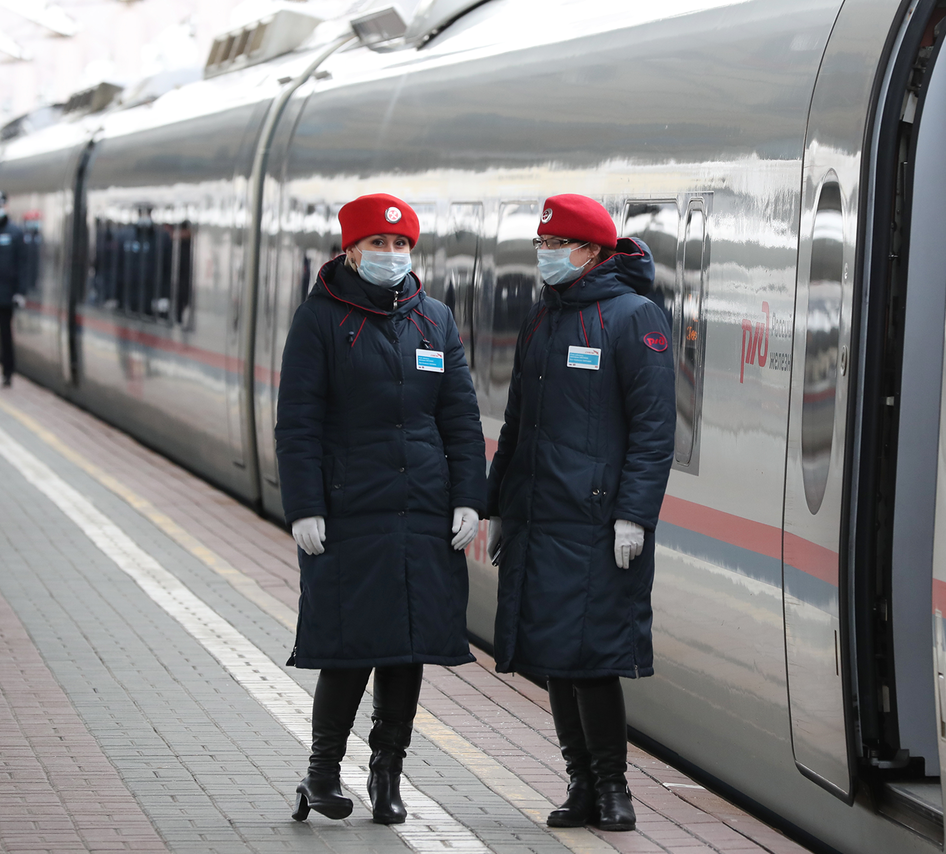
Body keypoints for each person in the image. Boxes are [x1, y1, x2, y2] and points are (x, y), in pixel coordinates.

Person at [276, 193, 486, 825]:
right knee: (348, 645)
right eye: (377, 245)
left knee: (406, 648)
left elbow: (460, 418)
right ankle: (321, 772)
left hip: (421, 511)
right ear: (351, 250)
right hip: (349, 509)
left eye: (400, 245)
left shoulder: (435, 321)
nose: (391, 256)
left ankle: (387, 770)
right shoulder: (320, 321)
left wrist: (470, 498)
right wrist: (305, 506)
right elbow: (298, 424)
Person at [486, 194, 676, 831]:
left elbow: (654, 430)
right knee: (555, 659)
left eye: (556, 245)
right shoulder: (544, 318)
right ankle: (580, 786)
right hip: (542, 519)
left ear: (592, 252)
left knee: (593, 660)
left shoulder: (634, 318)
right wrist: (499, 505)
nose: (546, 256)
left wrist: (634, 516)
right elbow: (519, 424)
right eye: (541, 245)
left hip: (598, 523)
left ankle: (614, 788)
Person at [0, 190, 27, 387]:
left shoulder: (15, 233)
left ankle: (7, 373)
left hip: (5, 293)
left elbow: (22, 264)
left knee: (5, 334)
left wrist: (20, 291)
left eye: (0, 206)